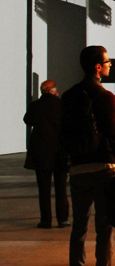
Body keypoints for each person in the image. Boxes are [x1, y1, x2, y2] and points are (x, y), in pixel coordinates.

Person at [62, 46, 115, 266]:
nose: (110, 64)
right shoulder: (105, 96)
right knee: (105, 228)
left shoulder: (68, 96)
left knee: (79, 228)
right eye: (107, 61)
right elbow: (114, 136)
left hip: (79, 168)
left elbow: (63, 135)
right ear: (97, 67)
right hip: (104, 167)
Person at [24, 80, 70, 229]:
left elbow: (27, 120)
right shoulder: (62, 105)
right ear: (54, 91)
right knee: (61, 188)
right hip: (59, 152)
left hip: (41, 152)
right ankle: (63, 219)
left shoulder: (35, 105)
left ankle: (45, 220)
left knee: (43, 189)